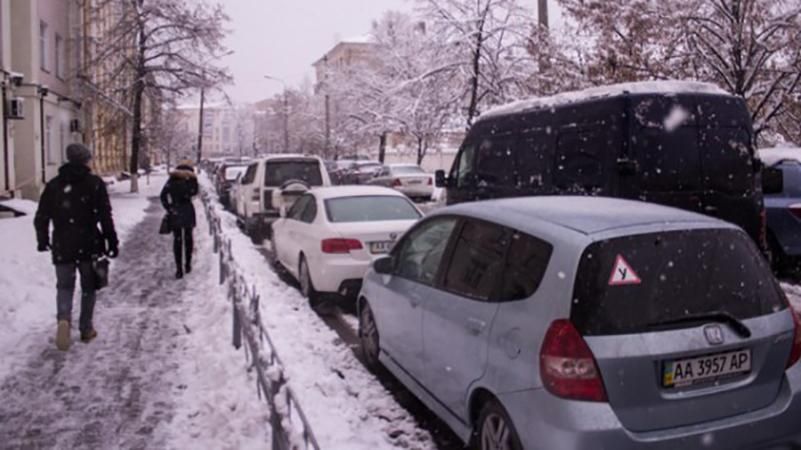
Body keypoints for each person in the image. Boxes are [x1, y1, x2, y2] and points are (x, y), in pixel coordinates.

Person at [34, 143, 119, 351]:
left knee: (64, 286)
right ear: (85, 160)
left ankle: (64, 319)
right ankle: (86, 328)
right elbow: (105, 216)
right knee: (88, 287)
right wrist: (111, 241)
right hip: (88, 243)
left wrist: (43, 239)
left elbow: (41, 217)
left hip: (62, 244)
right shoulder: (95, 184)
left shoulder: (54, 185)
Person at [160, 162, 198, 279]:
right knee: (188, 238)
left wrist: (169, 208)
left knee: (177, 240)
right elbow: (194, 192)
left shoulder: (172, 179)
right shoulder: (191, 179)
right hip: (187, 210)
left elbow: (163, 195)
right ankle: (187, 264)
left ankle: (179, 269)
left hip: (175, 211)